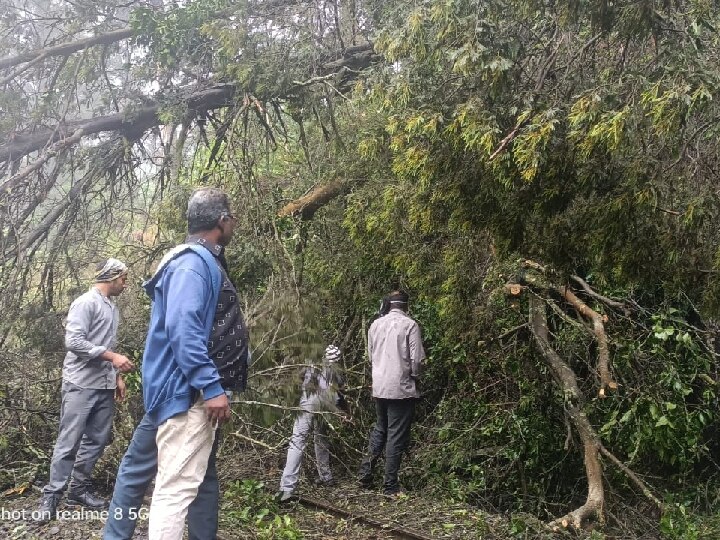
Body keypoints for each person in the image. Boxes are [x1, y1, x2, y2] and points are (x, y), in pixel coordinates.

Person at [103, 187, 249, 540]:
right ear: (221, 221)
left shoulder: (198, 260)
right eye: (231, 219)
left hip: (180, 391)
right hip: (186, 394)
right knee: (176, 485)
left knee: (194, 474)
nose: (233, 225)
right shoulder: (193, 264)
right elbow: (184, 329)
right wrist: (211, 386)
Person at [36, 259, 134, 521]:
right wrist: (112, 357)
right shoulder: (85, 303)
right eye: (123, 279)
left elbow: (107, 344)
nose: (125, 284)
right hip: (80, 383)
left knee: (97, 440)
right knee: (69, 442)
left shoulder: (112, 309)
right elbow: (74, 341)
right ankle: (51, 497)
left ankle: (78, 490)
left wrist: (116, 377)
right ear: (111, 278)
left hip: (104, 385)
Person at [358, 290, 425, 495]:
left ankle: (365, 474)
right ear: (406, 305)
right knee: (396, 435)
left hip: (379, 387)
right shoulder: (410, 325)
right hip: (401, 389)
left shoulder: (375, 325)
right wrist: (416, 376)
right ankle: (390, 486)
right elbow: (417, 360)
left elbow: (370, 357)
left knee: (381, 429)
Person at [275, 345, 348, 503]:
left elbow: (296, 381)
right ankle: (326, 476)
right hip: (326, 401)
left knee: (298, 441)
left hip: (308, 399)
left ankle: (286, 488)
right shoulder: (336, 371)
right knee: (321, 437)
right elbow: (340, 394)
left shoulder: (311, 365)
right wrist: (345, 412)